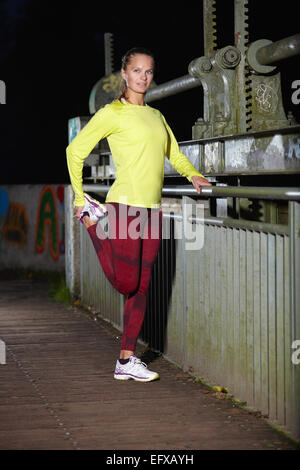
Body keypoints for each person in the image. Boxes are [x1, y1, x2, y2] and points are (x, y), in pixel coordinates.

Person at [66, 47, 212, 382]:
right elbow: (74, 151)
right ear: (124, 75)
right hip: (124, 206)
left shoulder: (157, 116)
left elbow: (173, 151)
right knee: (127, 281)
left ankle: (126, 360)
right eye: (137, 71)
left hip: (153, 209)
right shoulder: (111, 113)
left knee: (141, 287)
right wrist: (79, 196)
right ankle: (91, 222)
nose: (143, 77)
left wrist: (192, 174)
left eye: (148, 71)